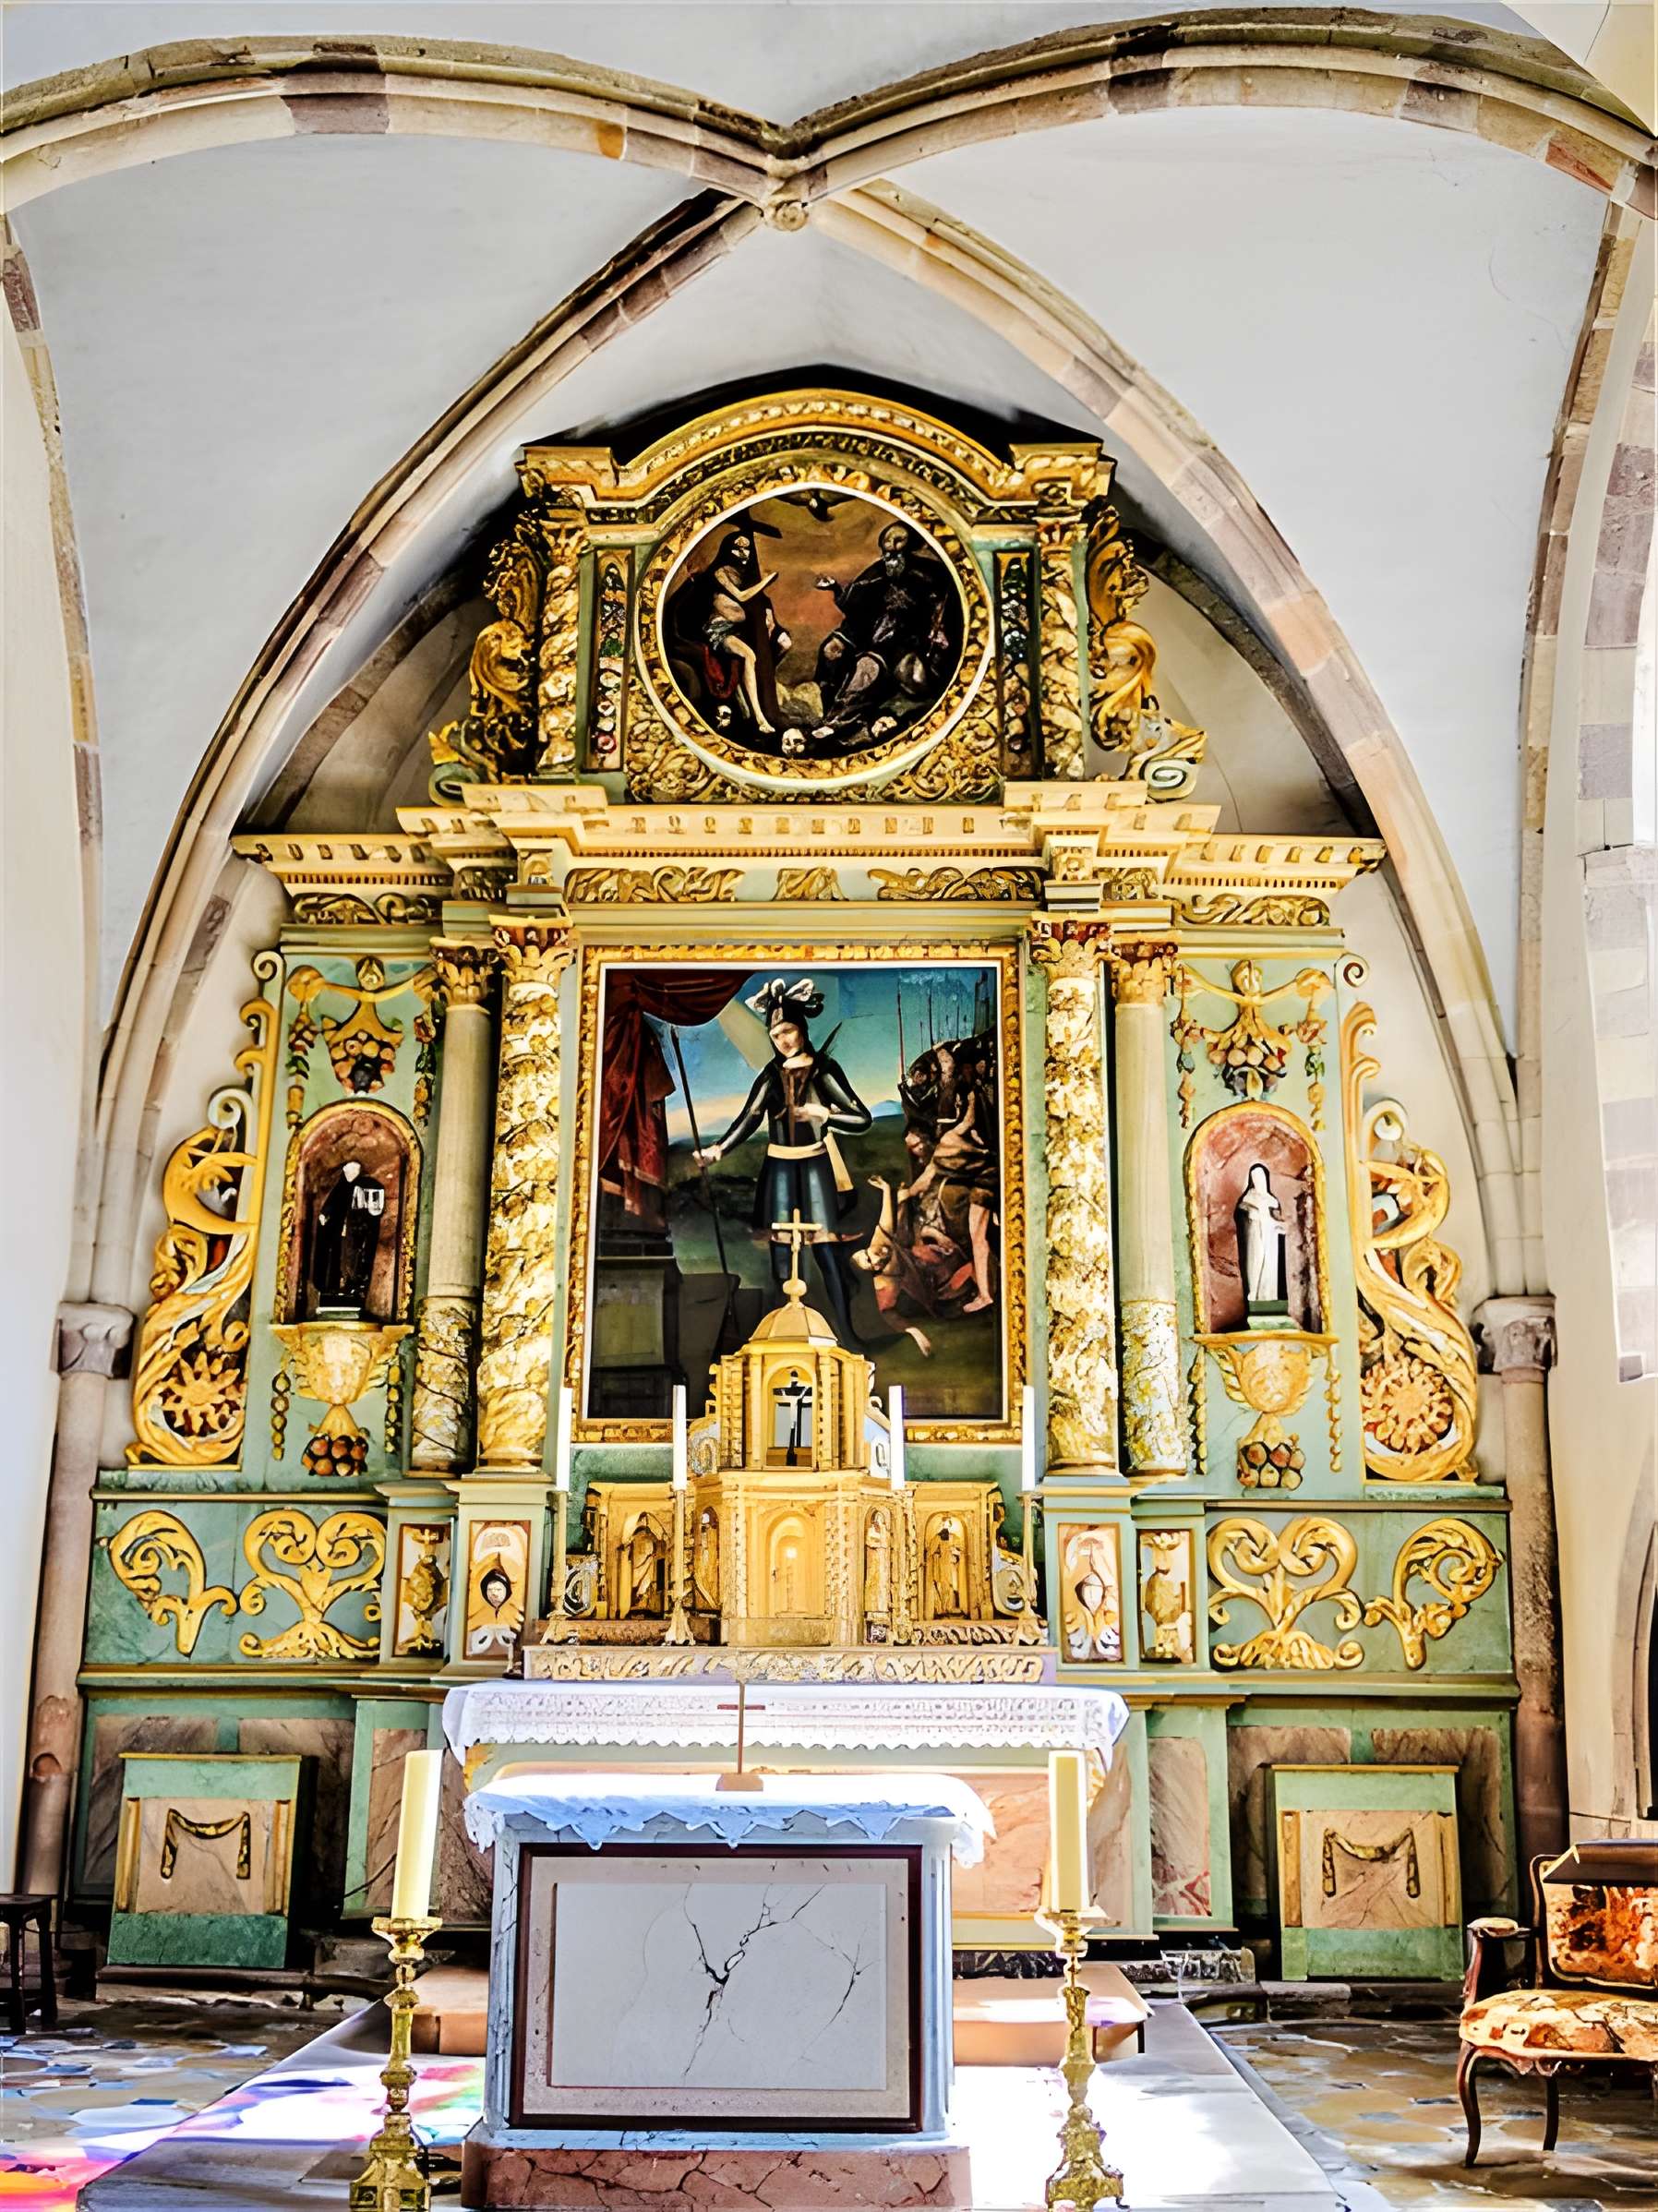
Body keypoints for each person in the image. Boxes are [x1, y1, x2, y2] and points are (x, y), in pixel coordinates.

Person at [693, 978, 871, 1345]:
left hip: (814, 1168)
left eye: (788, 1030)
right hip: (778, 1172)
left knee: (826, 1253)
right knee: (779, 1258)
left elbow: (862, 1118)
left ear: (801, 1028)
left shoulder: (824, 1070)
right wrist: (720, 1149)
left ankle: (848, 1336)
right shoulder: (771, 1075)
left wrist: (824, 1113)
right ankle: (779, 1337)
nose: (784, 1040)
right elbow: (750, 1116)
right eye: (776, 1035)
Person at [811, 523, 957, 746]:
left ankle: (836, 721)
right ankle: (826, 705)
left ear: (910, 547)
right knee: (831, 650)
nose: (891, 550)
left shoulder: (929, 574)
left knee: (867, 668)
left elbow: (945, 605)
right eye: (887, 545)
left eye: (898, 543)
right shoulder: (878, 571)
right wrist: (835, 588)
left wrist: (938, 629)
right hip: (864, 631)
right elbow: (852, 600)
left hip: (901, 641)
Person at [666, 528, 788, 738]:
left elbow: (758, 601)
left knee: (783, 643)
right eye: (739, 547)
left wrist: (767, 611)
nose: (744, 553)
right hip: (719, 630)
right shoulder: (721, 572)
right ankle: (759, 718)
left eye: (747, 549)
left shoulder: (745, 575)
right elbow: (741, 596)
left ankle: (754, 701)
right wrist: (767, 580)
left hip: (740, 630)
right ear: (728, 549)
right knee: (749, 655)